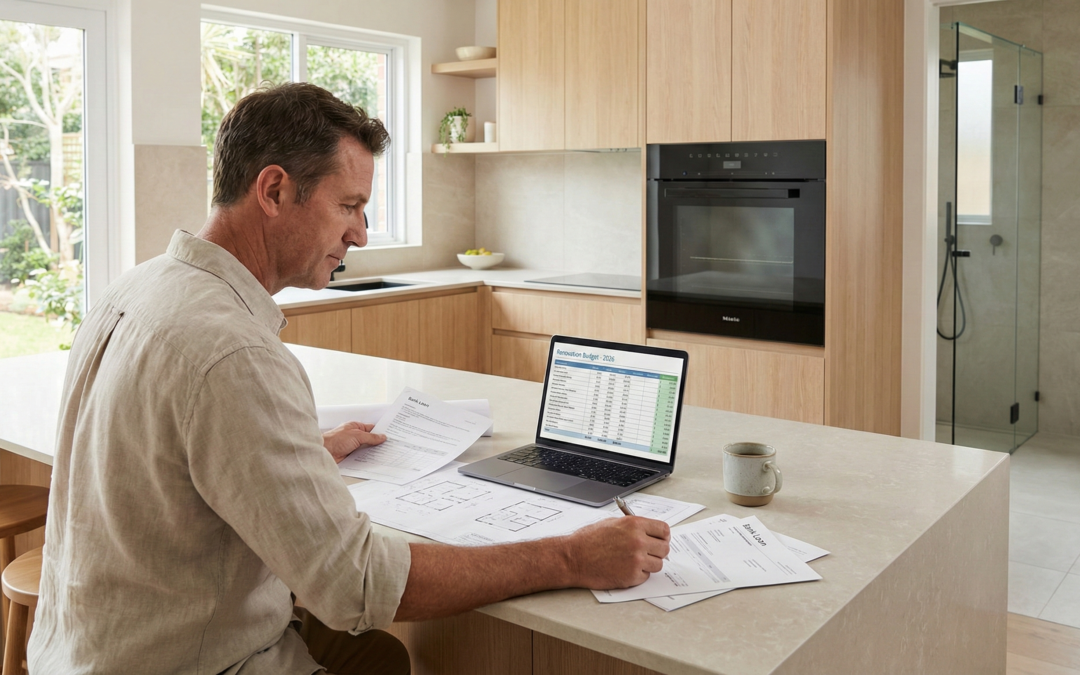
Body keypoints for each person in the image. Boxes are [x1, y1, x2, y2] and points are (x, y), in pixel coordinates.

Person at [28, 83, 670, 675]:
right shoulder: (234, 352)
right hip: (192, 664)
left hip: (78, 653)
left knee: (381, 661)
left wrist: (296, 452)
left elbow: (168, 451)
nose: (360, 233)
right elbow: (354, 585)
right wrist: (570, 556)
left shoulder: (137, 287)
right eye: (350, 206)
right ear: (274, 191)